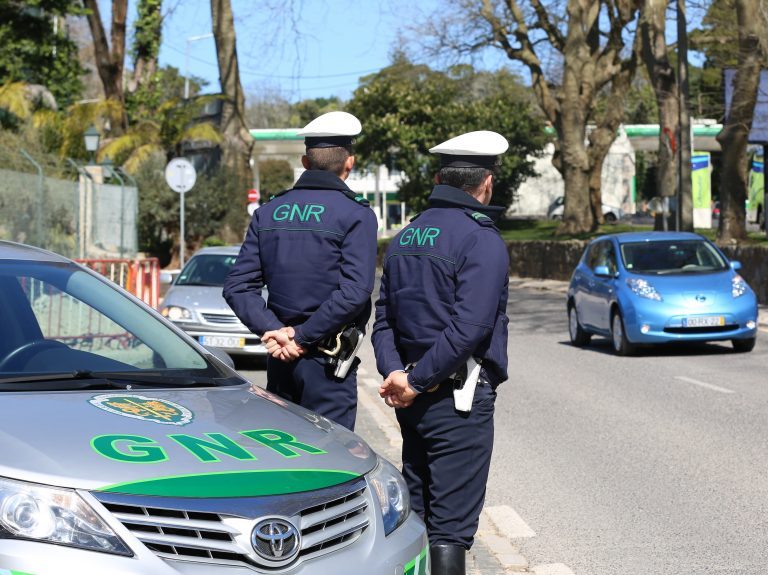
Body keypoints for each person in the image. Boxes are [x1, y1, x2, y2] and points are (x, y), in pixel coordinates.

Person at [372, 130, 510, 575]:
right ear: (486, 184)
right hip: (457, 401)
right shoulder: (480, 238)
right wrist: (413, 381)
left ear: (438, 178)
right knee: (450, 528)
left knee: (420, 515)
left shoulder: (406, 237)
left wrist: (397, 374)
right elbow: (470, 327)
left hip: (412, 401)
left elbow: (385, 318)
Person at [223, 111, 378, 431]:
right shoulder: (356, 214)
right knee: (331, 467)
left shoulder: (268, 212)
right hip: (326, 366)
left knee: (283, 458)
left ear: (306, 162)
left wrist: (274, 331)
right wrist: (302, 336)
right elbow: (354, 291)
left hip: (280, 359)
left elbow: (238, 287)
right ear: (350, 163)